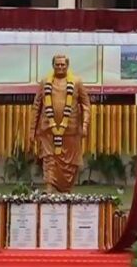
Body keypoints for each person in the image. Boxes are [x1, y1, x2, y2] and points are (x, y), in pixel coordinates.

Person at [30, 54, 91, 193]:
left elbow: (86, 106)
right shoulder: (45, 82)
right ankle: (49, 188)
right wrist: (32, 131)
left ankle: (66, 190)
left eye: (63, 64)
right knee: (49, 159)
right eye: (57, 64)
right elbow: (36, 107)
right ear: (53, 66)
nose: (60, 67)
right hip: (48, 129)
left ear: (67, 66)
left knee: (69, 163)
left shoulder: (76, 82)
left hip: (71, 131)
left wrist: (85, 125)